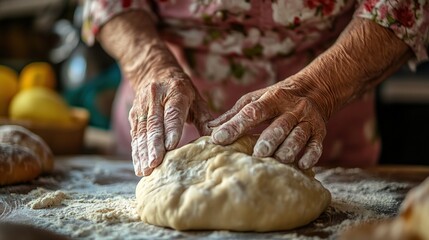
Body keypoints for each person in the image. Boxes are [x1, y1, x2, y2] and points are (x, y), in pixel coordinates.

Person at [82, 0, 428, 177]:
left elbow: (403, 5)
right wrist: (148, 64)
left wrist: (318, 89)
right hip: (169, 116)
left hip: (324, 114)